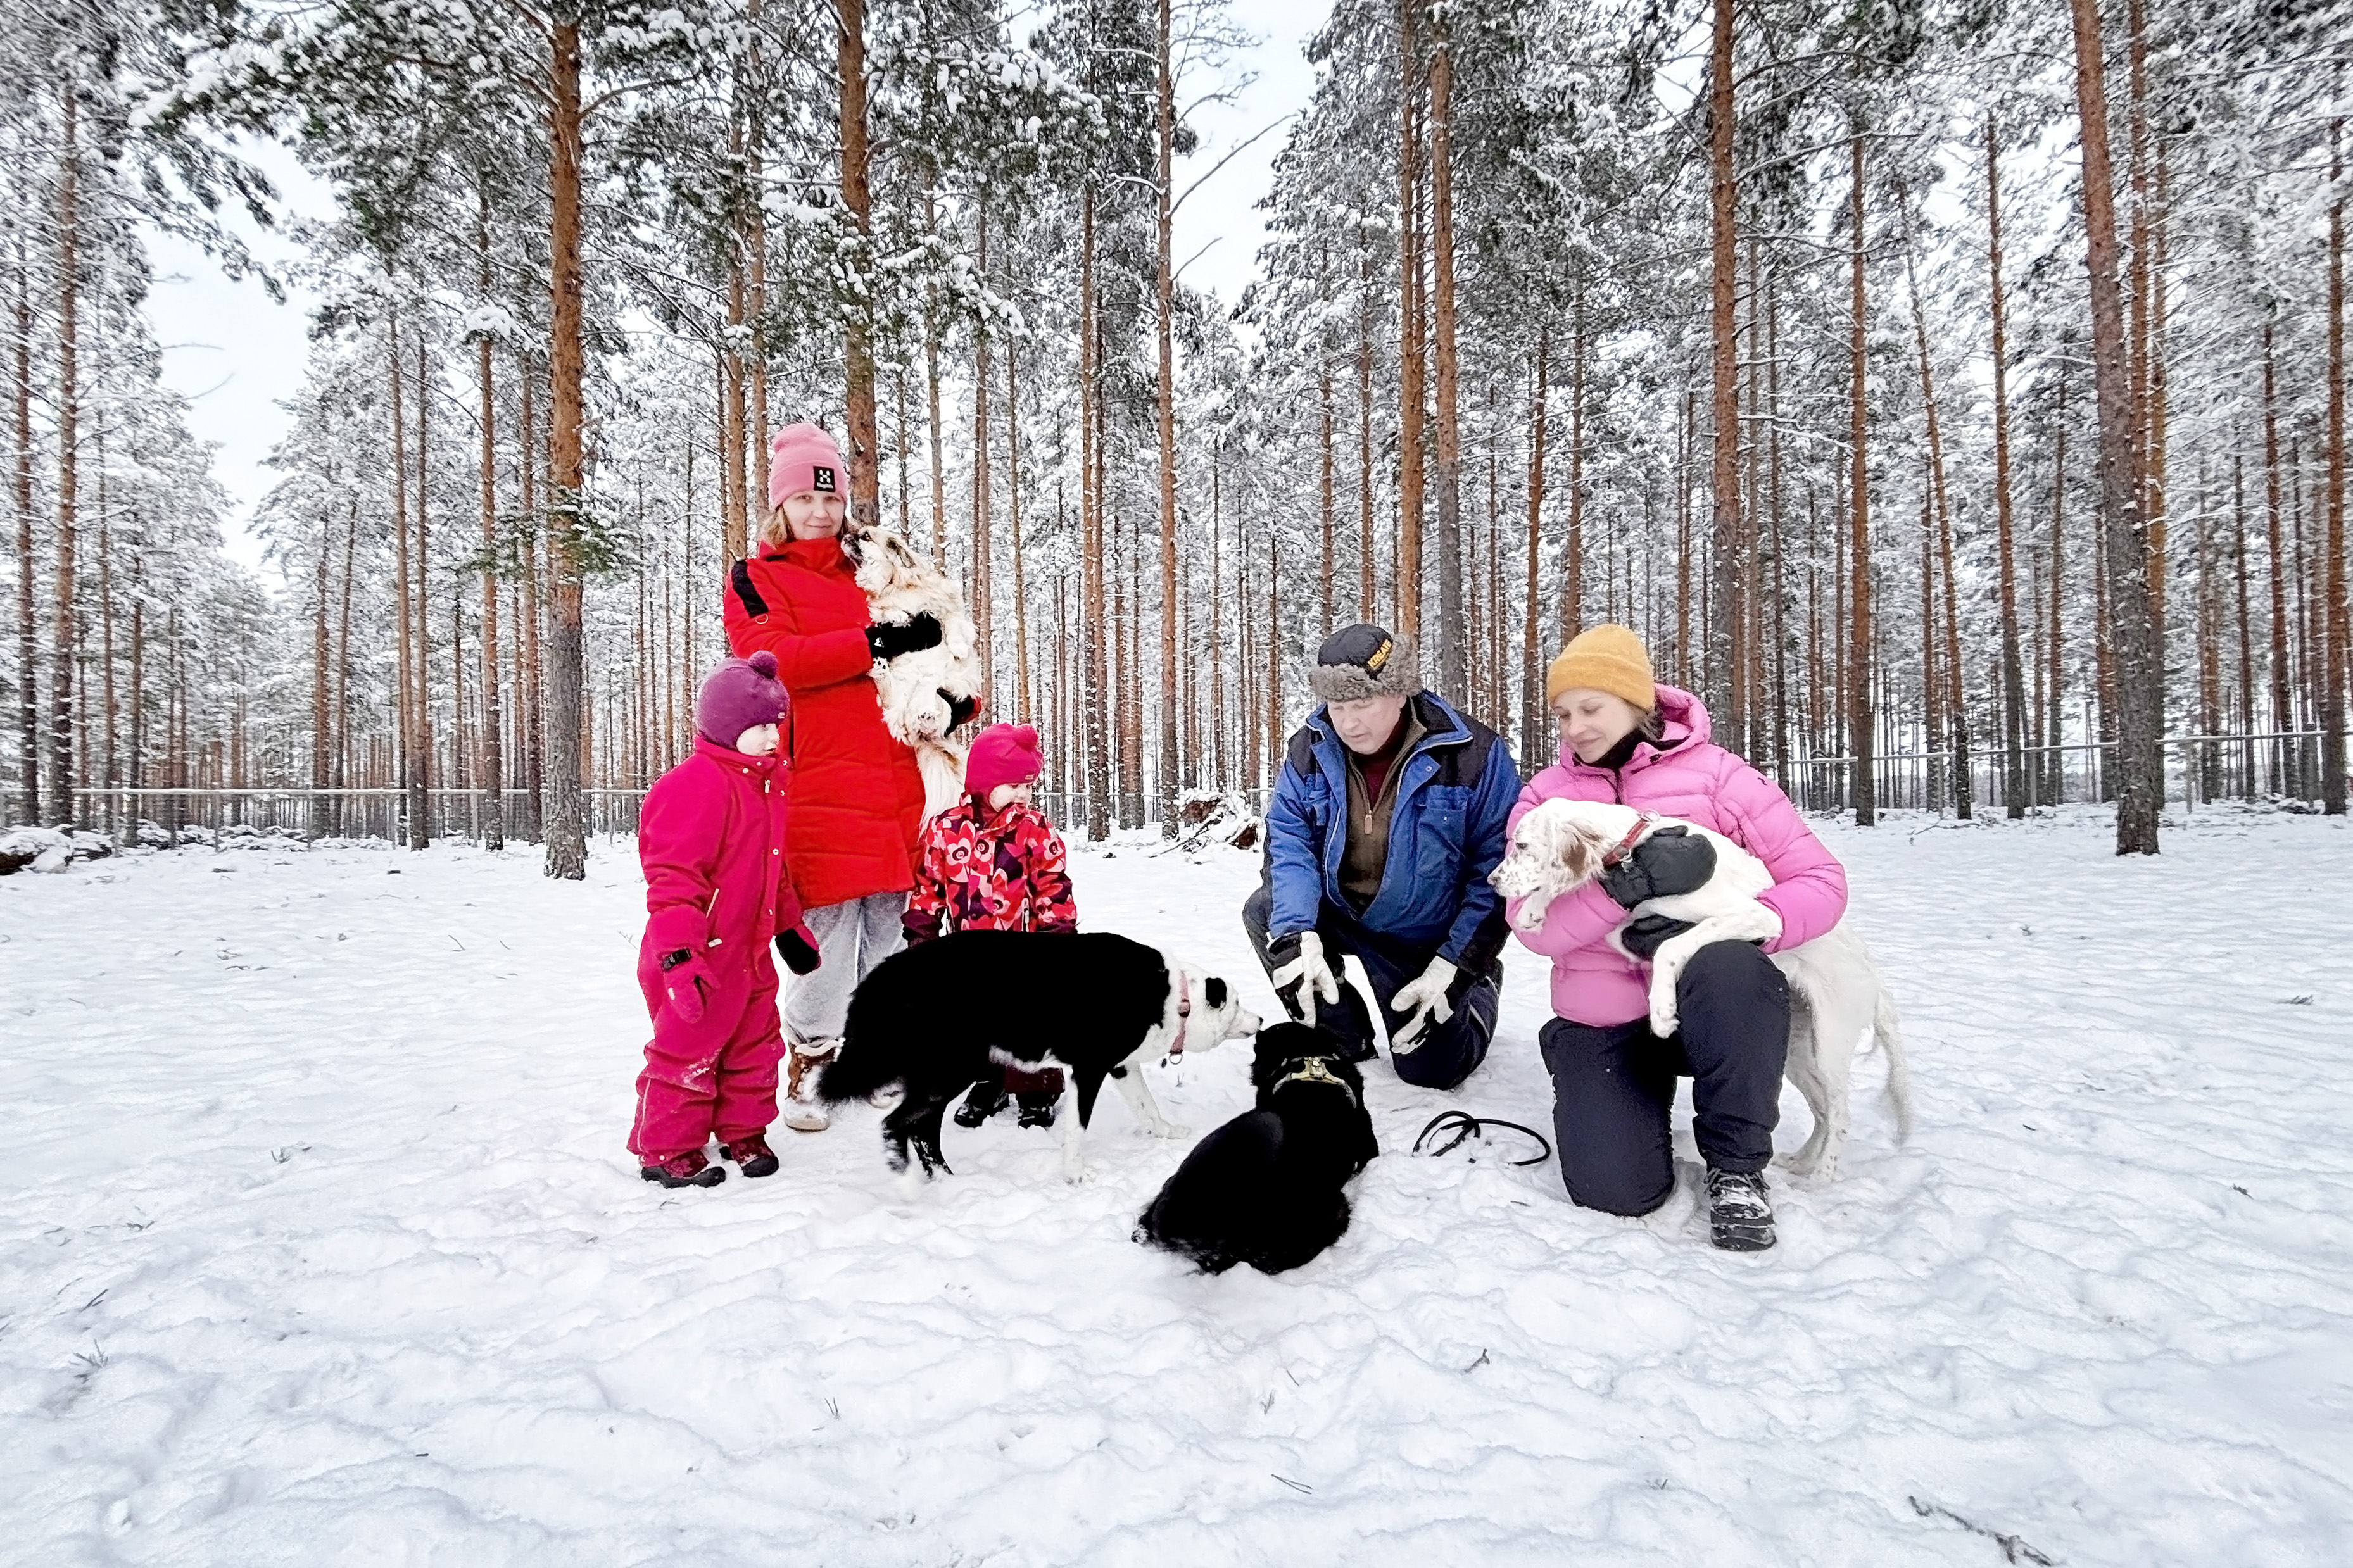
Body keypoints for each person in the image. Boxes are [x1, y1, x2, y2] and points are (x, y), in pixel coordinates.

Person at [1506, 624, 1848, 1251]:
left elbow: (1821, 880)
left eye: (1591, 708)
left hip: (1708, 1011)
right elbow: (1533, 930)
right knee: (1615, 1192)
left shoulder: (1719, 778)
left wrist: (1752, 921)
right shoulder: (1545, 800)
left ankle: (1737, 1166)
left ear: (1636, 702)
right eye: (1561, 713)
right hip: (1603, 1020)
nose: (1574, 727)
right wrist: (1617, 892)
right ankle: (1607, 1093)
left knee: (1730, 968)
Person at [724, 422, 976, 1132]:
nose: (821, 512)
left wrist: (958, 700)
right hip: (820, 783)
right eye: (805, 497)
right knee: (828, 938)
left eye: (829, 497)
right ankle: (809, 1055)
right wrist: (869, 644)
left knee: (891, 936)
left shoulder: (878, 569)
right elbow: (771, 657)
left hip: (900, 778)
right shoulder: (756, 577)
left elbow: (944, 651)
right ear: (782, 503)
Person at [1243, 624, 1519, 1090]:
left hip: (1423, 934)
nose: (1349, 722)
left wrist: (1461, 961)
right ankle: (1340, 1032)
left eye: (1363, 703)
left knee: (1431, 1071)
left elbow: (1495, 869)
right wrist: (1295, 933)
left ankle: (1481, 984)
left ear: (1400, 691)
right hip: (1341, 909)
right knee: (1266, 912)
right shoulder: (1308, 749)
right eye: (1338, 705)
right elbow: (1290, 846)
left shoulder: (1473, 754)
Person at [631, 651, 824, 1188]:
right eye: (758, 727)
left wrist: (789, 928)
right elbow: (672, 884)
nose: (770, 737)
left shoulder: (766, 787)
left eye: (775, 726)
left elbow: (771, 871)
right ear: (723, 726)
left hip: (749, 950)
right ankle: (666, 1146)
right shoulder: (693, 785)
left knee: (755, 1044)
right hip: (697, 956)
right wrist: (678, 957)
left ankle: (743, 1128)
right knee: (687, 1050)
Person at [902, 722, 1078, 1130]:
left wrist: (1058, 941)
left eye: (1029, 786)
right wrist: (923, 934)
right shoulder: (945, 830)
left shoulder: (1035, 831)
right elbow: (928, 885)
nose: (1024, 794)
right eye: (1015, 785)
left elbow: (1054, 888)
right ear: (985, 781)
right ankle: (989, 1083)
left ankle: (1036, 1091)